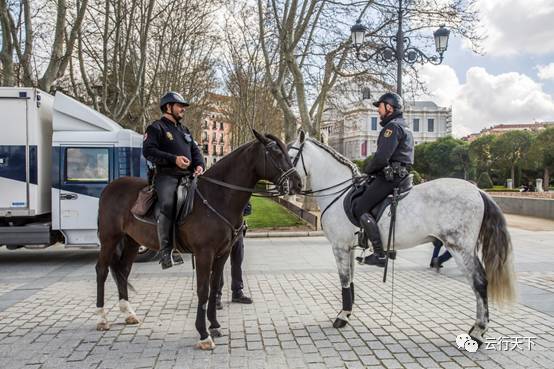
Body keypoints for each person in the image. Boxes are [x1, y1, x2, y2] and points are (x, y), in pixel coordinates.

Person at [142, 91, 205, 269]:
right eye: (180, 106)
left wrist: (199, 165)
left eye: (184, 107)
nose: (183, 110)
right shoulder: (156, 128)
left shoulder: (184, 130)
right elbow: (148, 151)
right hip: (166, 175)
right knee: (168, 203)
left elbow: (195, 152)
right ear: (168, 107)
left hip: (188, 176)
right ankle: (165, 250)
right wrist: (174, 159)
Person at [354, 92, 414, 267]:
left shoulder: (392, 127)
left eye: (379, 107)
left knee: (360, 207)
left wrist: (366, 171)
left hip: (391, 178)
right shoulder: (404, 125)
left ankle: (379, 254)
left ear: (389, 107)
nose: (378, 111)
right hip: (401, 175)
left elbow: (381, 158)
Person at [215, 202, 253, 309]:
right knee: (219, 262)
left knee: (237, 260)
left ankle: (237, 292)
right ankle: (216, 295)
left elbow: (247, 207)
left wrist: (245, 206)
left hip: (238, 228)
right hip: (222, 228)